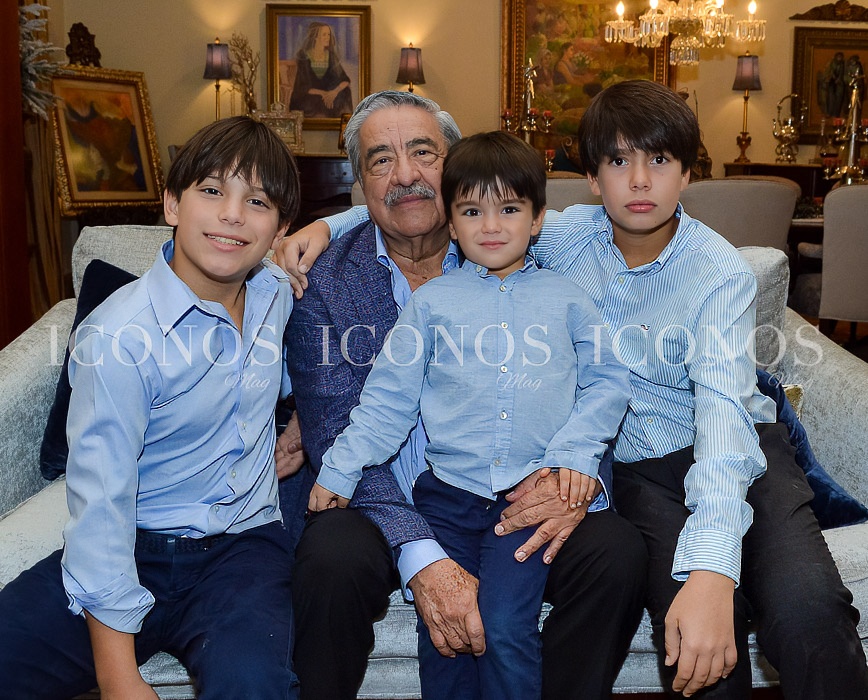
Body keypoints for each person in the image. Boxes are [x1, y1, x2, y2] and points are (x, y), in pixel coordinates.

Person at [284, 81, 868, 699]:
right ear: (593, 177)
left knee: (790, 607)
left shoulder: (658, 263)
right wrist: (327, 223)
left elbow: (709, 418)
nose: (638, 181)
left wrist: (706, 562)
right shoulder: (541, 243)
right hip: (545, 482)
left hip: (693, 455)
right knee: (689, 643)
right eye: (618, 161)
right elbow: (453, 203)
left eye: (659, 160)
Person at [277, 90, 648, 700]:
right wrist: (422, 555)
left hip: (518, 484)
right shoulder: (325, 281)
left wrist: (571, 476)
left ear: (451, 165)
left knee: (616, 552)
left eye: (423, 153)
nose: (404, 174)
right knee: (331, 557)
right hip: (401, 499)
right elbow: (354, 417)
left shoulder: (536, 259)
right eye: (380, 160)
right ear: (360, 183)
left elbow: (597, 382)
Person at [0, 116, 302, 699]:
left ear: (279, 229)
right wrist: (119, 678)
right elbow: (101, 505)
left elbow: (387, 216)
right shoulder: (118, 336)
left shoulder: (275, 295)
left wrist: (302, 429)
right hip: (132, 540)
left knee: (253, 684)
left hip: (242, 547)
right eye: (211, 191)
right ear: (171, 204)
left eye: (257, 202)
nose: (232, 215)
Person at [290, 21, 353, 118]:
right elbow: (302, 87)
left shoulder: (331, 56)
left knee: (346, 92)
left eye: (328, 34)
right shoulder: (304, 56)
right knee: (314, 100)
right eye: (324, 35)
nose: (328, 38)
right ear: (315, 37)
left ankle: (345, 123)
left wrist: (334, 92)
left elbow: (344, 79)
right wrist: (324, 94)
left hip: (330, 96)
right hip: (310, 97)